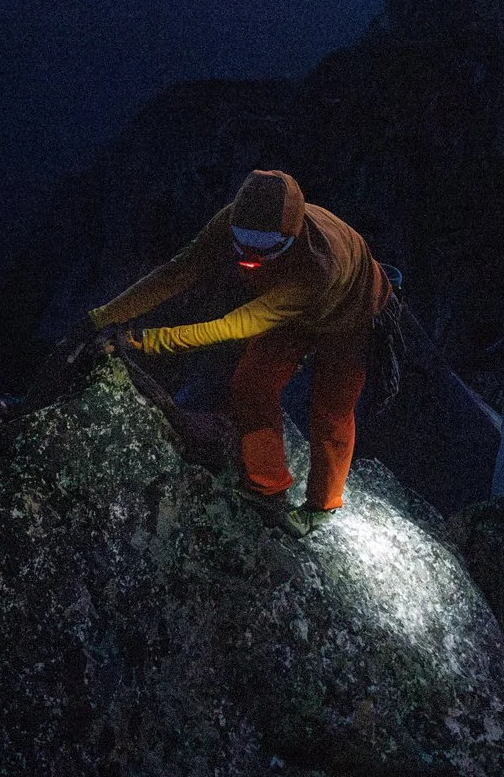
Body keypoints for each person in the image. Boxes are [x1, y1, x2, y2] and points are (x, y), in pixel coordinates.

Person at [90, 170, 388, 538]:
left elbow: (236, 324)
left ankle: (321, 506)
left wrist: (142, 341)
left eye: (266, 250)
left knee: (331, 410)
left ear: (291, 237)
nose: (250, 258)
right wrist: (102, 317)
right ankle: (268, 488)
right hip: (285, 304)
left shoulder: (321, 265)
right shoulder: (234, 220)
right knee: (251, 385)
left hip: (349, 315)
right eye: (242, 245)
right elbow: (177, 272)